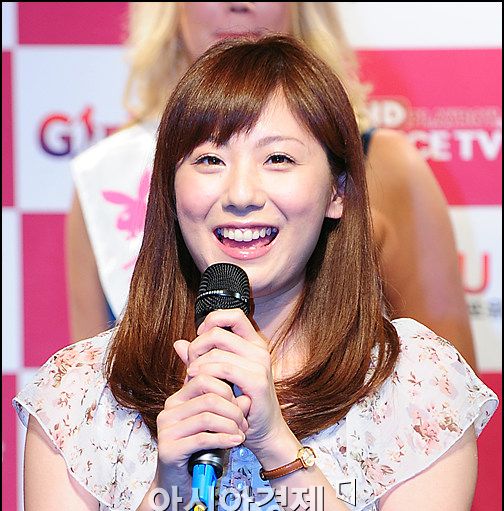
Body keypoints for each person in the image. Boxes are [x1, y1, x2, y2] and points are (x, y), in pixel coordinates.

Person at [16, 36, 497, 511]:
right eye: (209, 160)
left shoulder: (411, 378)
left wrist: (279, 449)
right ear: (169, 188)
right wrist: (166, 493)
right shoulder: (81, 389)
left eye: (278, 159)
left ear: (337, 192)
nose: (240, 194)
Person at [66, 1, 476, 375]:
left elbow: (445, 394)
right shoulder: (105, 175)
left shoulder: (385, 163)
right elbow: (99, 403)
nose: (237, 5)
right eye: (209, 161)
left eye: (279, 159)